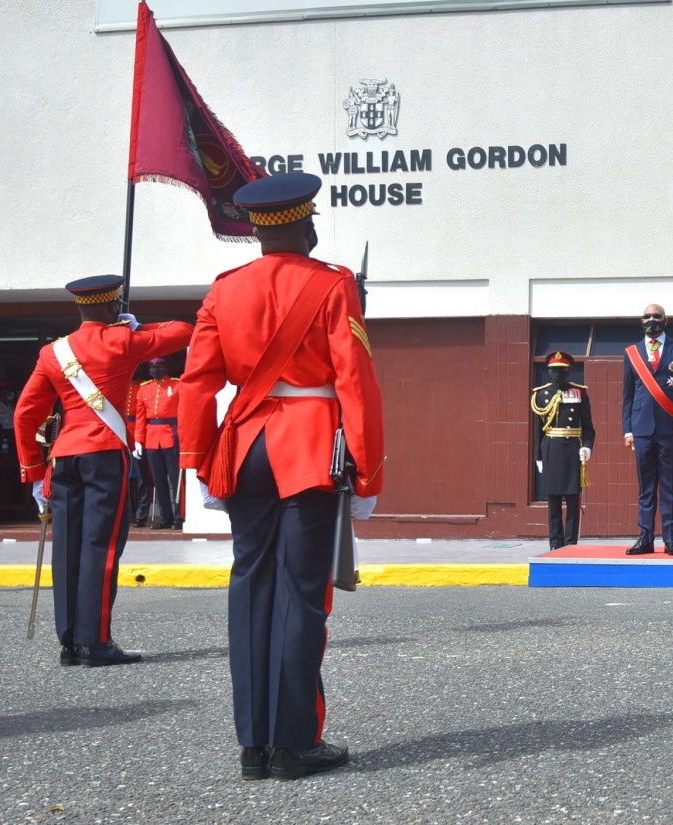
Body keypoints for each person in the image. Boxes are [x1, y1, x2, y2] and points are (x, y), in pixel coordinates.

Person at [178, 172, 384, 782]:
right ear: (302, 223)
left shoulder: (225, 288)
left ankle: (253, 745)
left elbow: (198, 382)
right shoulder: (334, 283)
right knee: (300, 593)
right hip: (308, 447)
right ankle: (293, 743)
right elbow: (354, 381)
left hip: (245, 446)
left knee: (250, 589)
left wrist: (197, 460)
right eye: (312, 218)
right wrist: (369, 472)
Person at [13, 275, 193, 667]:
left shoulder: (52, 352)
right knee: (101, 548)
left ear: (80, 308)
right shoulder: (123, 340)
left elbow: (26, 413)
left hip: (64, 458)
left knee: (67, 547)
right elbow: (183, 331)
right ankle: (94, 642)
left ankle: (69, 642)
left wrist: (32, 467)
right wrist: (135, 324)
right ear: (113, 306)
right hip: (105, 453)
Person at [622, 304, 673, 556]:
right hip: (641, 428)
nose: (651, 320)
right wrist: (627, 430)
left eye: (656, 316)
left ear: (666, 320)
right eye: (647, 316)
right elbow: (628, 395)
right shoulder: (632, 353)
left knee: (671, 487)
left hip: (670, 428)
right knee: (646, 489)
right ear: (640, 320)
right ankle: (645, 538)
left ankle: (671, 540)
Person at [531, 350, 595, 549]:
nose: (557, 374)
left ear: (569, 371)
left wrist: (587, 447)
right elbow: (538, 431)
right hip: (551, 448)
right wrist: (539, 457)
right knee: (553, 499)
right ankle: (555, 543)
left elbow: (588, 427)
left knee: (573, 499)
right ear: (549, 372)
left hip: (572, 450)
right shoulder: (541, 395)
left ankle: (571, 543)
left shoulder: (579, 393)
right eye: (553, 370)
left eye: (561, 370)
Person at [135, 357, 183, 529]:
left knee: (176, 479)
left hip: (172, 435)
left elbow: (184, 413)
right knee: (158, 480)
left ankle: (179, 516)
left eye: (159, 366)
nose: (156, 369)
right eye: (152, 366)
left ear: (166, 367)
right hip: (152, 438)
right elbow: (140, 418)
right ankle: (165, 517)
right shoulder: (144, 389)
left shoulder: (178, 385)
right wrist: (138, 441)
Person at [126, 363, 154, 528]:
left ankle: (140, 514)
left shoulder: (143, 388)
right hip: (121, 433)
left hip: (138, 435)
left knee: (142, 478)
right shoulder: (120, 386)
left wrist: (139, 438)